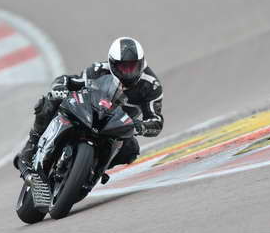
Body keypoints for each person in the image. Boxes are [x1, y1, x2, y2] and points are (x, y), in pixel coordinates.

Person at [16, 36, 163, 173]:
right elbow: (70, 80)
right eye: (123, 67)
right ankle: (31, 145)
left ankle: (94, 170)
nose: (128, 73)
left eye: (133, 67)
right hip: (90, 113)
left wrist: (141, 126)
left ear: (141, 63)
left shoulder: (151, 85)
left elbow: (156, 121)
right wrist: (60, 86)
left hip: (118, 127)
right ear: (113, 64)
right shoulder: (99, 70)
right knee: (50, 101)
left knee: (131, 150)